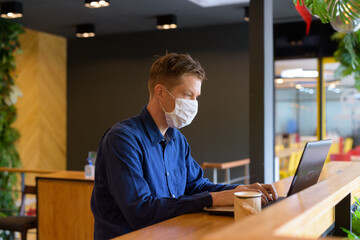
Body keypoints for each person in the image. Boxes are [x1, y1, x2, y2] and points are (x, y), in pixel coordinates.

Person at [90, 53, 278, 240]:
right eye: (188, 95)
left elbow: (197, 186)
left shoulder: (177, 140)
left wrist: (243, 191)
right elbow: (141, 211)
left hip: (171, 233)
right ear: (160, 92)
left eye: (196, 97)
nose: (193, 104)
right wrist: (216, 198)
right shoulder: (122, 139)